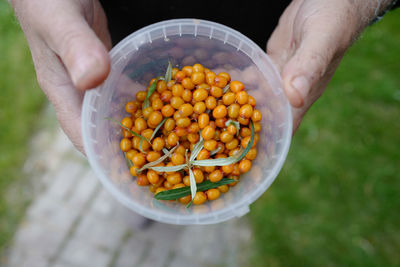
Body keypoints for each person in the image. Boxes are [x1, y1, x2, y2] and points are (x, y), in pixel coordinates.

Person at [9, 0, 399, 154]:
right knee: (122, 114)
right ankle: (143, 203)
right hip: (115, 26)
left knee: (258, 109)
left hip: (270, 30)